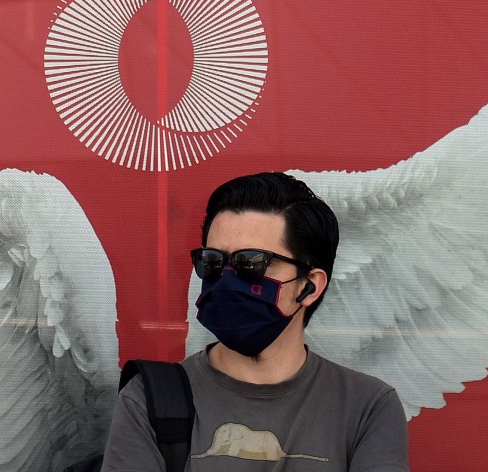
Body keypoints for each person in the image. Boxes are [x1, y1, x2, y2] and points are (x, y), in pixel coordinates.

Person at [100, 172, 410, 471]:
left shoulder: (367, 407)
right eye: (213, 261)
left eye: (252, 263)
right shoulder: (148, 400)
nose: (226, 280)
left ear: (309, 286)